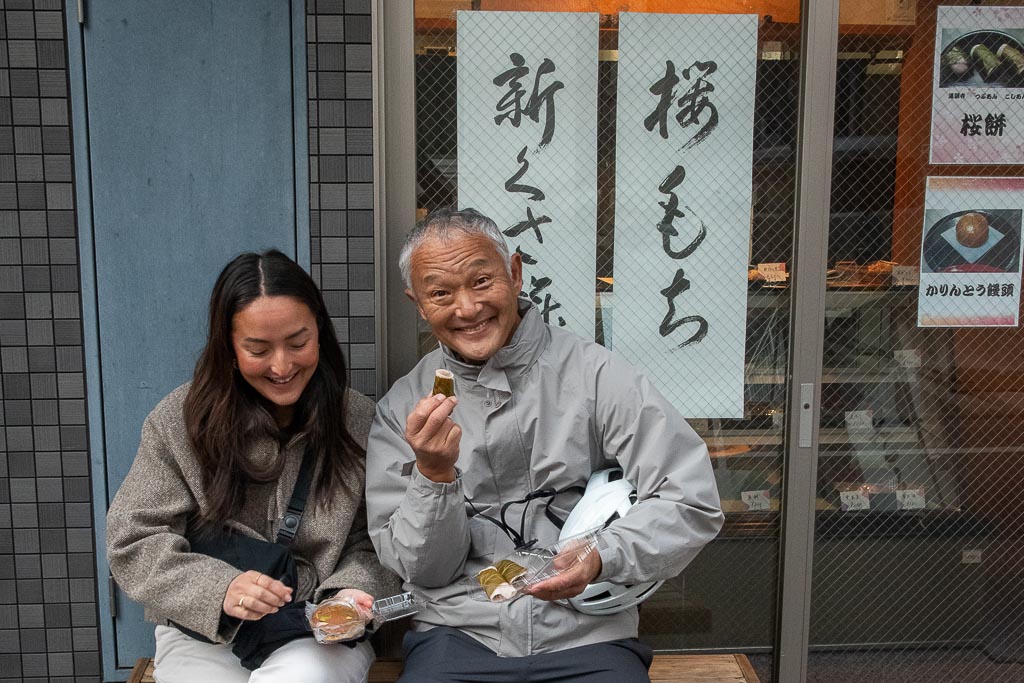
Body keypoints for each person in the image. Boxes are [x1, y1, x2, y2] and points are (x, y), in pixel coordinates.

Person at [365, 208, 724, 681]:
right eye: (441, 293)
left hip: (587, 631)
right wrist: (434, 476)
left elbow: (690, 499)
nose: (468, 308)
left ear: (514, 273)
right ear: (418, 302)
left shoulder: (597, 376)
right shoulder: (404, 407)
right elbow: (424, 570)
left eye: (481, 281)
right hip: (458, 634)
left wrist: (602, 554)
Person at [107, 249, 398, 682]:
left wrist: (351, 594)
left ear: (320, 330)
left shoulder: (357, 420)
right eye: (258, 349)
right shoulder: (178, 420)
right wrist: (219, 589)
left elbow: (377, 539)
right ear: (228, 346)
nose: (282, 366)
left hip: (313, 627)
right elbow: (133, 539)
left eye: (298, 343)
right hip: (204, 631)